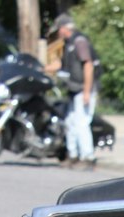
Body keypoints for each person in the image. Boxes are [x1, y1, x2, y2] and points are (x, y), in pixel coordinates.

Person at [47, 12, 98, 168]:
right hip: (74, 89)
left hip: (83, 89)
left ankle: (88, 158)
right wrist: (42, 69)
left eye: (59, 29)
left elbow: (88, 65)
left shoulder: (79, 41)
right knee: (70, 122)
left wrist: (87, 92)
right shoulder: (69, 43)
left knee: (82, 123)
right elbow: (60, 65)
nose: (58, 33)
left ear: (64, 28)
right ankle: (73, 155)